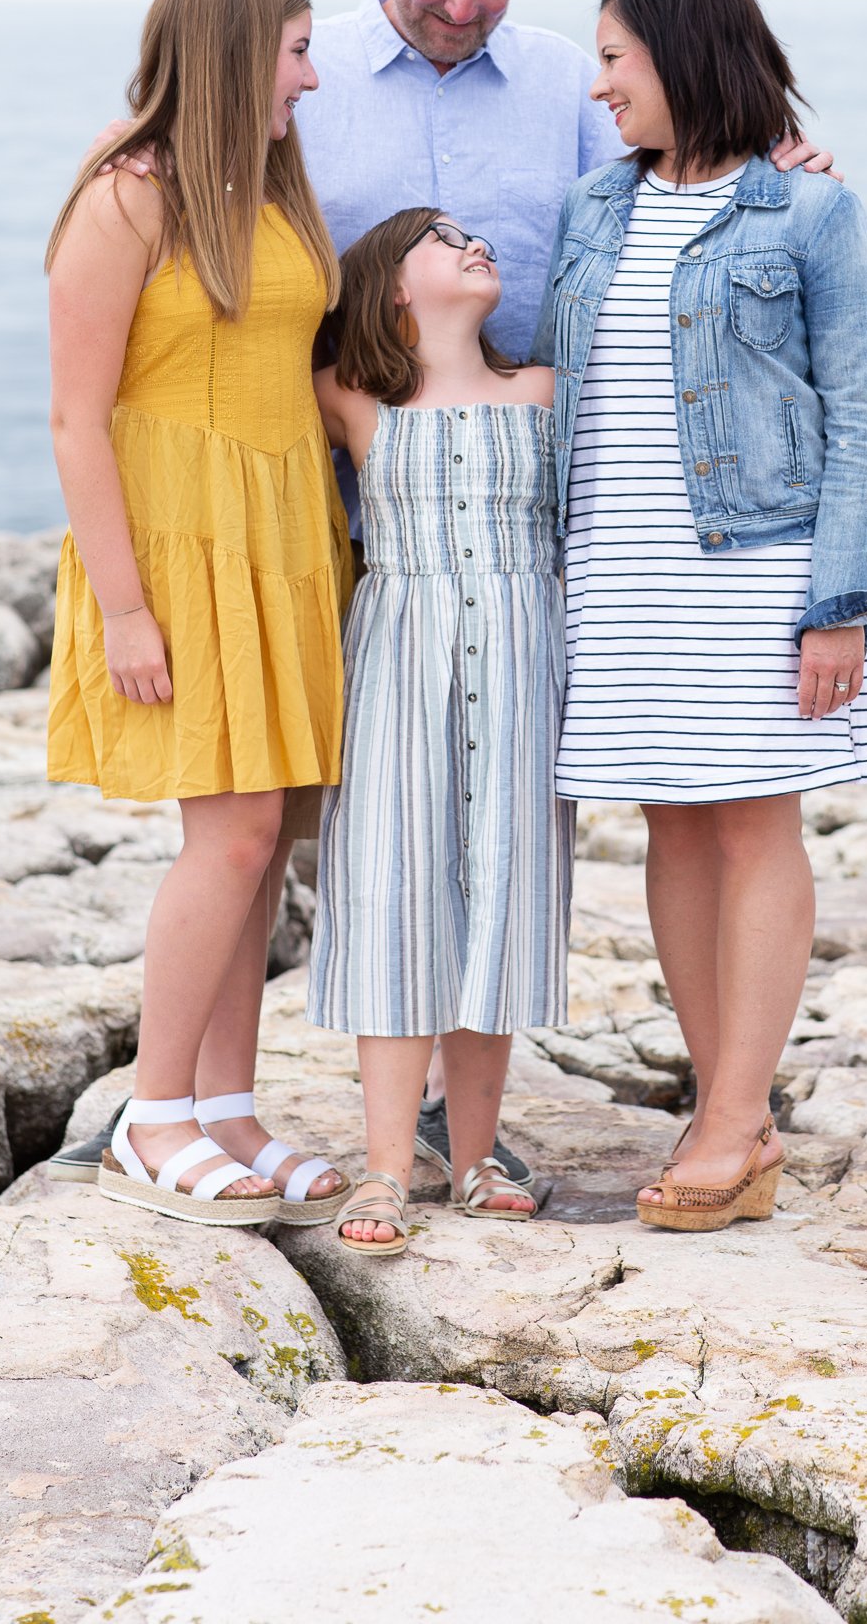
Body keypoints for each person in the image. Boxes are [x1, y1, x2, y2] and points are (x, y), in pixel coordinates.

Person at [49, 0, 842, 1187]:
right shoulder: (208, 152)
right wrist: (128, 588)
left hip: (427, 525)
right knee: (272, 831)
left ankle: (280, 1109)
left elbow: (669, 174)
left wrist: (774, 170)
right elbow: (99, 397)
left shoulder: (512, 98)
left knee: (364, 822)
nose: (465, 6)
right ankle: (171, 1109)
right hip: (305, 524)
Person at [533, 0, 867, 1233]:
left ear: (681, 58)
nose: (599, 83)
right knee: (670, 824)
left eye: (616, 58)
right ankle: (723, 1105)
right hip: (617, 569)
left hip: (755, 568)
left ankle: (736, 1124)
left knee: (752, 827)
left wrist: (838, 603)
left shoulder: (808, 217)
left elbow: (859, 416)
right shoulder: (592, 207)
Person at [45, 0, 350, 1227]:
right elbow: (73, 420)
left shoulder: (265, 190)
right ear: (233, 55)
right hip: (179, 552)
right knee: (225, 835)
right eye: (293, 50)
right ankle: (152, 1112)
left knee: (264, 837)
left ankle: (228, 1106)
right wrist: (123, 608)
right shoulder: (126, 200)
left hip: (283, 539)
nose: (312, 73)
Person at [310, 209, 569, 1254]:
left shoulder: (543, 393)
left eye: (479, 239)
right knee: (397, 889)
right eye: (444, 239)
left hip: (519, 655)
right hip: (399, 657)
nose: (477, 247)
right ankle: (384, 1164)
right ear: (394, 287)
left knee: (500, 884)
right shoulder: (352, 401)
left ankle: (473, 1155)